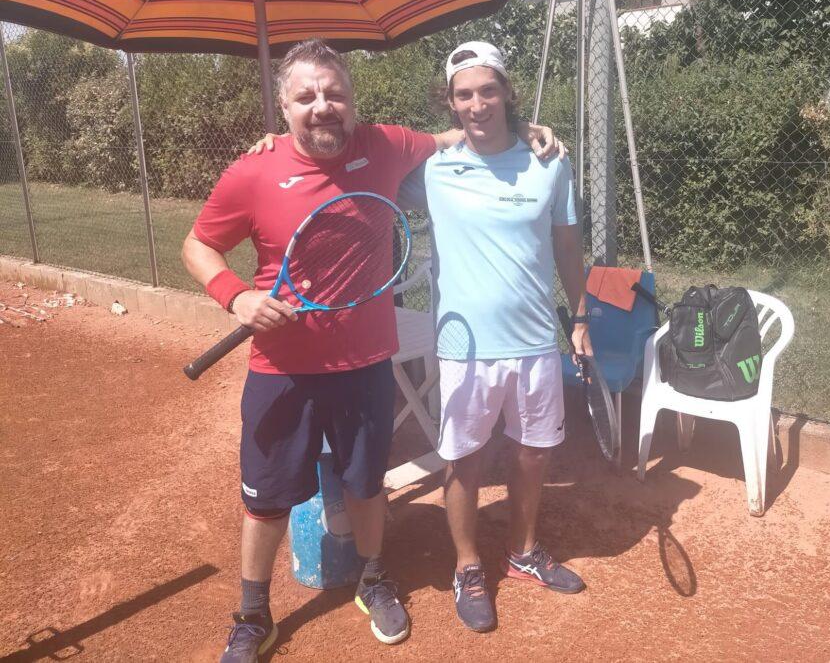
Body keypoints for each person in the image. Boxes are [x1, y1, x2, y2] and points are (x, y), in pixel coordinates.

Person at [181, 38, 559, 662]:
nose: (322, 106)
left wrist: (525, 128)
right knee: (267, 500)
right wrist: (236, 296)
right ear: (283, 106)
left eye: (335, 93)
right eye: (306, 97)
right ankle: (252, 614)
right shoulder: (252, 170)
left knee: (365, 484)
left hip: (364, 365)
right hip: (281, 368)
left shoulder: (384, 145)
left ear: (353, 100)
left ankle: (374, 579)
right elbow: (198, 245)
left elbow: (460, 133)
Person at [410, 41, 592, 632]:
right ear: (450, 102)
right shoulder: (433, 167)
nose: (477, 104)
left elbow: (568, 247)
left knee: (534, 452)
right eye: (464, 94)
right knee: (463, 458)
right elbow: (358, 154)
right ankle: (467, 567)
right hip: (463, 345)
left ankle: (523, 553)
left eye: (488, 90)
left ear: (508, 92)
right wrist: (280, 140)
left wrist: (581, 318)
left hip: (535, 339)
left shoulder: (549, 162)